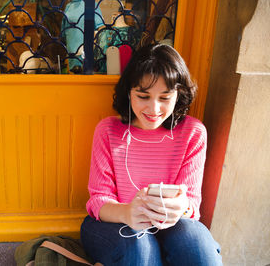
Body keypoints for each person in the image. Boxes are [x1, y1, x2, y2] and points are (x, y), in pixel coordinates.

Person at [80, 44, 222, 266]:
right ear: (129, 92)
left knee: (198, 245)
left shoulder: (193, 133)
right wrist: (128, 213)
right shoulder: (108, 130)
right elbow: (98, 200)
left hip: (171, 227)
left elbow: (192, 205)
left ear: (179, 95)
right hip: (113, 223)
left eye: (165, 98)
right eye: (143, 96)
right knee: (139, 246)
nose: (154, 109)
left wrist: (181, 207)